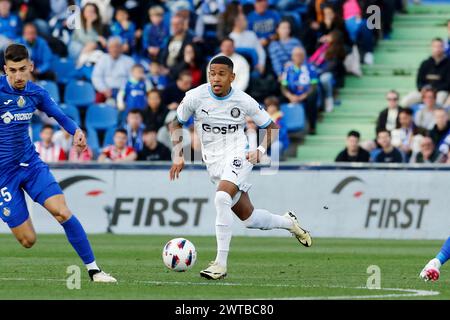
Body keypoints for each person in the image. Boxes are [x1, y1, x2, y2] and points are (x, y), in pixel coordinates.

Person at [169, 55, 312, 280]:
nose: (216, 78)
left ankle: (220, 264)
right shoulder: (195, 96)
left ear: (232, 77)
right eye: (212, 73)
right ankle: (289, 223)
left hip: (239, 154)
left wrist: (260, 151)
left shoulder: (243, 100)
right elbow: (176, 122)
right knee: (249, 219)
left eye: (221, 74)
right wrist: (179, 155)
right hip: (214, 163)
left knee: (221, 199)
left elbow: (272, 127)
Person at [0, 43, 116, 282]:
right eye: (12, 71)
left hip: (31, 166)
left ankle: (94, 270)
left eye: (22, 69)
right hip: (4, 175)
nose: (18, 76)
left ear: (31, 66)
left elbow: (59, 115)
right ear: (5, 70)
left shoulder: (36, 93)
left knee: (62, 212)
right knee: (27, 241)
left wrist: (76, 131)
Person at [401, 38, 450, 108]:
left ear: (443, 48)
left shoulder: (448, 64)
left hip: (441, 92)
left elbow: (448, 84)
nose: (437, 49)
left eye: (440, 46)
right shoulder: (425, 63)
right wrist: (423, 89)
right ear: (431, 48)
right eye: (435, 46)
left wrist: (433, 90)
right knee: (405, 102)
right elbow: (419, 82)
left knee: (439, 104)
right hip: (424, 92)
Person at [280, 46, 319, 134]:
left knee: (313, 97)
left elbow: (314, 86)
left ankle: (312, 127)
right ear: (292, 57)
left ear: (304, 56)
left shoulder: (310, 68)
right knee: (278, 99)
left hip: (305, 95)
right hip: (292, 94)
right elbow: (283, 86)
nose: (299, 57)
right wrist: (290, 96)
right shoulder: (287, 69)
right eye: (296, 55)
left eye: (301, 55)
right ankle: (282, 127)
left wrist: (302, 96)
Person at [91, 36, 135, 104]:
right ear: (108, 48)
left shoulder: (129, 61)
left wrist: (124, 90)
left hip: (124, 91)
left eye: (117, 46)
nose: (114, 49)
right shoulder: (102, 59)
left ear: (121, 48)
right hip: (106, 91)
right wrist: (104, 89)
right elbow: (96, 77)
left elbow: (133, 78)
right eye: (112, 47)